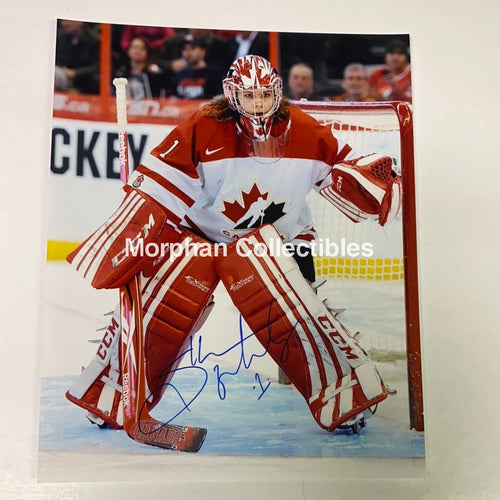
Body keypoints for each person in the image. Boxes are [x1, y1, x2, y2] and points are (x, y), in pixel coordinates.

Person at [65, 55, 402, 438]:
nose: (258, 104)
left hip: (282, 239)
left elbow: (341, 173)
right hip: (204, 236)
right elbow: (159, 193)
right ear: (231, 96)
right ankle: (111, 390)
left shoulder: (307, 130)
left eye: (264, 96)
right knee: (156, 308)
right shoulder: (203, 126)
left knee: (301, 314)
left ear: (277, 94)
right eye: (249, 96)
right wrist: (133, 239)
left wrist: (370, 182)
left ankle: (346, 392)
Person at [54, 20, 100, 94]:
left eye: (68, 20)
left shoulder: (93, 41)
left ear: (80, 22)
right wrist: (64, 70)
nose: (63, 23)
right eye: (62, 21)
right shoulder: (59, 37)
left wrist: (75, 73)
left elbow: (96, 67)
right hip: (62, 74)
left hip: (82, 78)